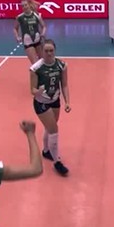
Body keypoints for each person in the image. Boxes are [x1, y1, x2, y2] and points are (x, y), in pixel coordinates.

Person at [30, 39, 70, 176]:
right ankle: (57, 161)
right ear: (42, 51)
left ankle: (46, 151)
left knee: (50, 127)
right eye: (46, 51)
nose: (48, 53)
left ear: (55, 50)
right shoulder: (36, 68)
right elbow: (32, 90)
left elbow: (64, 84)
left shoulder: (61, 65)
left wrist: (67, 102)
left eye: (51, 50)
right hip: (41, 103)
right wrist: (38, 91)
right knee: (54, 130)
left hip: (55, 100)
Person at [13, 0, 47, 64]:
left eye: (25, 5)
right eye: (22, 6)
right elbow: (15, 28)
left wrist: (43, 34)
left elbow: (44, 26)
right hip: (28, 42)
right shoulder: (20, 17)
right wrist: (17, 37)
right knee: (35, 63)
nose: (24, 7)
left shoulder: (36, 15)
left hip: (38, 41)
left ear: (29, 5)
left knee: (43, 61)